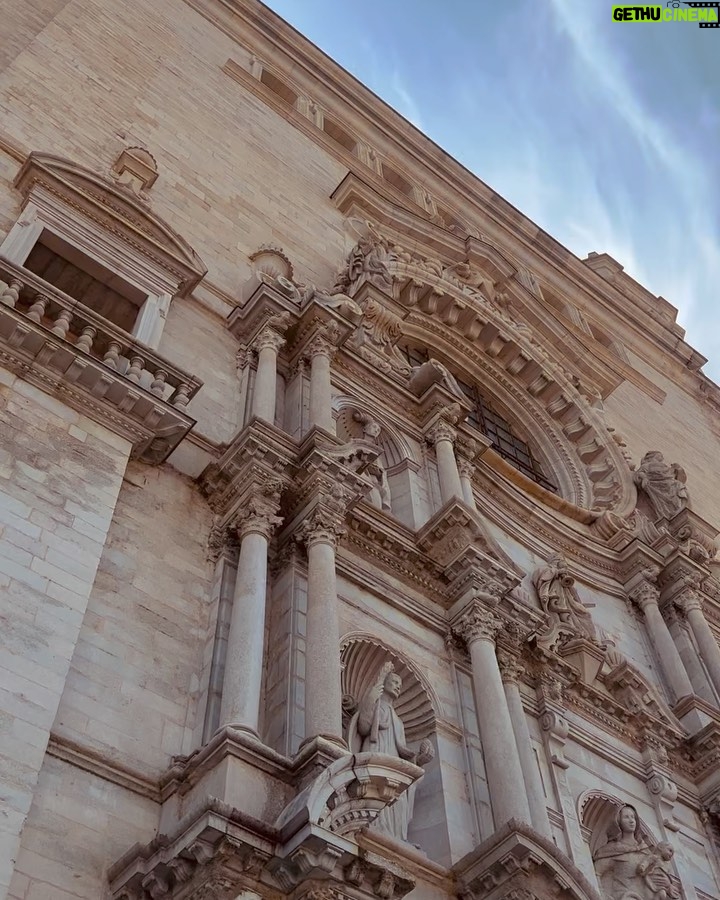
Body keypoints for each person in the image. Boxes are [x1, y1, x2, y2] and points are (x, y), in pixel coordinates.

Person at [347, 664, 432, 841]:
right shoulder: (375, 705)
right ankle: (372, 825)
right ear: (384, 684)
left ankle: (395, 837)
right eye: (394, 681)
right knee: (376, 788)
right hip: (376, 753)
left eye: (400, 683)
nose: (398, 686)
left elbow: (404, 754)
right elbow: (364, 726)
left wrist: (420, 760)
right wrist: (380, 678)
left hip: (393, 763)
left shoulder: (399, 721)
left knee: (397, 799)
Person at [633, 451, 688, 521]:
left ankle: (678, 507)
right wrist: (644, 478)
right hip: (653, 484)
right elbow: (639, 474)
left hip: (665, 483)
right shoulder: (647, 465)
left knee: (678, 485)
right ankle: (668, 511)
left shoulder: (663, 466)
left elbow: (670, 475)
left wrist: (677, 469)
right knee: (675, 485)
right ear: (653, 456)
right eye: (660, 455)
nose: (662, 457)